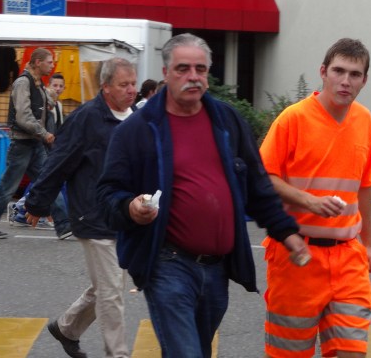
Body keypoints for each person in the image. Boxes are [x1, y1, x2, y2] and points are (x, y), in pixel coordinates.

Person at [96, 33, 308, 358]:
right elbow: (107, 195)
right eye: (183, 68)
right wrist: (130, 207)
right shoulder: (136, 130)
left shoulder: (227, 121)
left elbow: (258, 186)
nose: (193, 76)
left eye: (200, 69)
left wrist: (287, 233)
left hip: (216, 269)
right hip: (167, 265)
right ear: (166, 73)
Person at [259, 38, 371, 358]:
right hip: (296, 255)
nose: (345, 81)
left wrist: (368, 244)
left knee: (351, 352)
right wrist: (308, 201)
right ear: (323, 72)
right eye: (338, 71)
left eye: (355, 74)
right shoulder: (293, 119)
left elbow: (365, 186)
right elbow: (262, 177)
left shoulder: (364, 120)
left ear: (364, 80)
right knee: (289, 353)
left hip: (348, 257)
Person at [25, 57, 137, 358]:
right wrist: (37, 202)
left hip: (126, 215)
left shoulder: (136, 117)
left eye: (133, 84)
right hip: (93, 213)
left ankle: (67, 328)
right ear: (105, 87)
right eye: (124, 85)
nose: (131, 90)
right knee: (112, 291)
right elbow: (58, 162)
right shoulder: (86, 118)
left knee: (107, 285)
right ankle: (118, 354)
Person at [0, 48, 71, 240]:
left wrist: (49, 100)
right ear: (37, 62)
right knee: (9, 187)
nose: (52, 65)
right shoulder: (23, 83)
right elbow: (23, 116)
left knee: (48, 182)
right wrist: (45, 134)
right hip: (22, 144)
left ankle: (64, 225)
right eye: (49, 62)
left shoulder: (37, 83)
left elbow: (39, 108)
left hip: (34, 143)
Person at [9, 72, 68, 228]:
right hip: (45, 147)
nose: (58, 88)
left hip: (53, 148)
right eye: (55, 85)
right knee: (44, 183)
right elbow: (44, 127)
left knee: (43, 183)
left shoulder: (58, 105)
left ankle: (27, 211)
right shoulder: (45, 104)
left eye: (61, 86)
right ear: (48, 85)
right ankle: (23, 210)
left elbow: (58, 127)